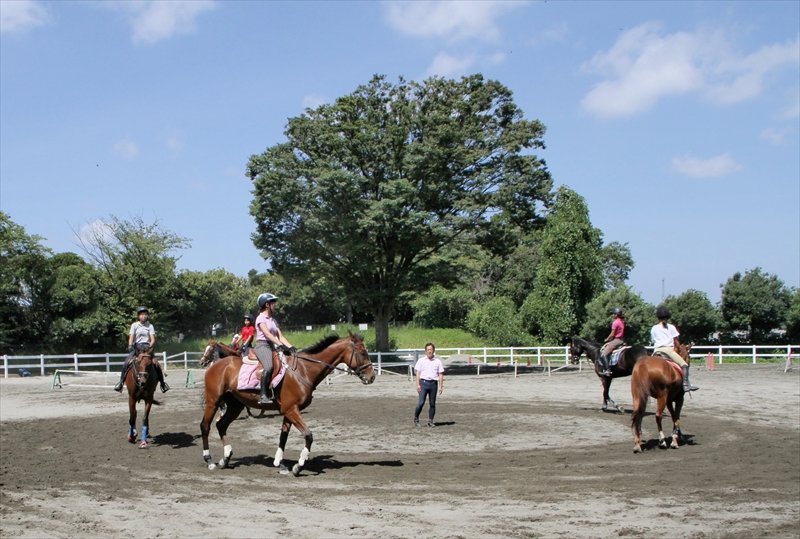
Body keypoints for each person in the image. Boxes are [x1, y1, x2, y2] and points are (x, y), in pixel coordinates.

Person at [114, 307, 169, 393]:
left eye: (145, 314)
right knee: (126, 363)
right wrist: (130, 345)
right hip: (137, 348)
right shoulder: (134, 325)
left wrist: (150, 346)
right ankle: (120, 383)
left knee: (156, 364)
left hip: (147, 347)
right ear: (139, 316)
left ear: (147, 316)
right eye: (142, 314)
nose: (144, 316)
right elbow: (131, 336)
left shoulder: (150, 326)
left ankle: (162, 384)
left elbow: (153, 339)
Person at [253, 293, 295, 404]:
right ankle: (263, 395)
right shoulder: (260, 318)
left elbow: (280, 336)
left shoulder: (272, 320)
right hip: (262, 345)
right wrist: (280, 345)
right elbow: (267, 334)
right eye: (273, 303)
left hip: (271, 345)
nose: (275, 305)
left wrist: (290, 347)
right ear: (267, 304)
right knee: (269, 366)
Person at [651, 305, 698, 392]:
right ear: (667, 317)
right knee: (684, 365)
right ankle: (686, 384)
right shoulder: (671, 327)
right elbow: (676, 341)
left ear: (658, 317)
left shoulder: (654, 328)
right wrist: (678, 348)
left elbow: (653, 340)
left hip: (656, 351)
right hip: (668, 350)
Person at [413, 342, 445, 428]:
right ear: (425, 351)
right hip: (423, 383)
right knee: (421, 403)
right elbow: (418, 373)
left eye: (431, 350)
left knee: (432, 404)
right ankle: (416, 418)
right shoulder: (421, 361)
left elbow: (441, 374)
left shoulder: (438, 361)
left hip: (433, 384)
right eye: (428, 350)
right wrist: (417, 385)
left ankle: (430, 421)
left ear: (433, 350)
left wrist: (441, 386)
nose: (429, 351)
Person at [598, 307, 625, 376]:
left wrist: (607, 339)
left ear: (616, 314)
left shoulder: (615, 322)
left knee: (604, 353)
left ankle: (607, 370)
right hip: (621, 339)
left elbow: (612, 334)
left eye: (613, 314)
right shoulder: (621, 321)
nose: (612, 315)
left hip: (617, 340)